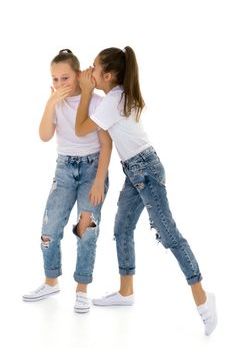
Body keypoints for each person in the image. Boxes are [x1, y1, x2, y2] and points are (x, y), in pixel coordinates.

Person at [74, 46, 217, 334]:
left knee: (169, 234)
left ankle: (203, 299)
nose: (90, 71)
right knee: (122, 227)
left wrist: (87, 91)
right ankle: (126, 291)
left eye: (94, 68)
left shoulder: (111, 102)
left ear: (109, 75)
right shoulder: (116, 96)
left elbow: (80, 129)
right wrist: (89, 87)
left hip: (146, 172)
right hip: (136, 169)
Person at [22, 49, 112, 314]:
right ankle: (51, 281)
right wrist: (50, 102)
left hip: (92, 168)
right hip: (64, 169)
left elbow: (106, 145)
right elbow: (44, 136)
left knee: (87, 229)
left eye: (65, 78)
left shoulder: (95, 102)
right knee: (49, 228)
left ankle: (82, 289)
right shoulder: (56, 102)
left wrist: (98, 181)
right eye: (55, 79)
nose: (60, 84)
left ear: (78, 75)